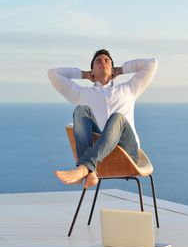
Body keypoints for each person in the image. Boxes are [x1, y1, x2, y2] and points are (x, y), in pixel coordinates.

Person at [48, 49, 158, 189]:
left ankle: (84, 168)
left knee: (117, 117)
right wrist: (83, 74)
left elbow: (152, 63)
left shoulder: (129, 89)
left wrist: (121, 70)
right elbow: (53, 73)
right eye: (98, 61)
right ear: (92, 71)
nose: (103, 63)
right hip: (100, 159)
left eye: (107, 61)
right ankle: (90, 171)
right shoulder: (82, 94)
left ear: (112, 69)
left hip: (127, 154)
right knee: (80, 110)